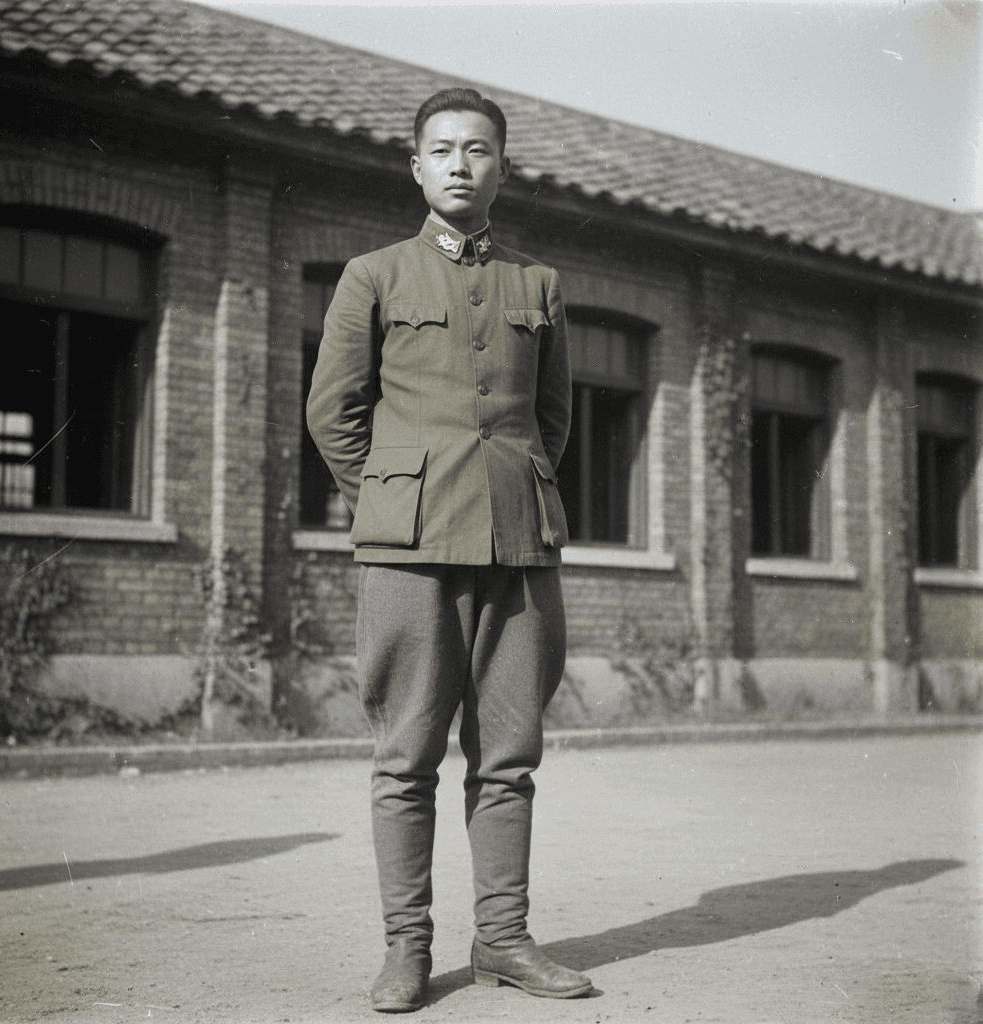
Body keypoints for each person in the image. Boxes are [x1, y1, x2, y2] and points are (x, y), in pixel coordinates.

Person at [306, 87, 592, 1013]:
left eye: (479, 150)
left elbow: (552, 421)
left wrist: (510, 497)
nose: (461, 163)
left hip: (519, 548)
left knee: (509, 755)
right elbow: (333, 415)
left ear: (504, 169)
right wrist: (394, 503)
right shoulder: (372, 275)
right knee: (406, 757)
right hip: (408, 553)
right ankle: (408, 950)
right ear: (416, 166)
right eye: (443, 149)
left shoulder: (539, 287)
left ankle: (504, 941)